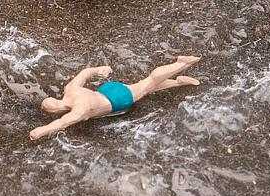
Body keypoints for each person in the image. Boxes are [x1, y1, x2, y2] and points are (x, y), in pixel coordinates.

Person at [29, 56, 201, 140]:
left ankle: (180, 63)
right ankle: (178, 82)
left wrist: (40, 131)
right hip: (107, 89)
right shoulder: (70, 90)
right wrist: (99, 69)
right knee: (143, 87)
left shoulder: (79, 110)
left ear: (57, 110)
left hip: (117, 100)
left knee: (149, 82)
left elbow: (60, 123)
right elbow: (85, 72)